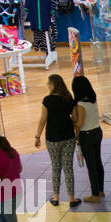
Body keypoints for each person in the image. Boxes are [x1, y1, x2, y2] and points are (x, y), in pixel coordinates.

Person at [34, 74, 79, 209]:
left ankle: (56, 197)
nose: (47, 85)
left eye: (49, 83)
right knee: (68, 168)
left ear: (54, 85)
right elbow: (75, 119)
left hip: (52, 139)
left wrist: (37, 136)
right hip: (68, 138)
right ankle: (71, 198)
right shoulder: (69, 99)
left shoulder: (47, 100)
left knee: (56, 166)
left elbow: (43, 120)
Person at [71, 76, 105, 203]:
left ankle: (94, 194)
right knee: (97, 162)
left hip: (87, 135)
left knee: (91, 165)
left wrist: (72, 121)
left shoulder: (80, 105)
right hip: (97, 131)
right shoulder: (93, 100)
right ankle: (101, 190)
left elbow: (79, 124)